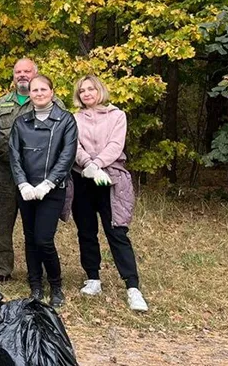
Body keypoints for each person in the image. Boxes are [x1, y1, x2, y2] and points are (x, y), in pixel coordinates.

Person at [72, 75, 148, 311]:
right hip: (82, 178)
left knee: (116, 232)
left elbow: (116, 145)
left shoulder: (117, 115)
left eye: (91, 89)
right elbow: (74, 146)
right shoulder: (74, 118)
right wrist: (88, 165)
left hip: (110, 178)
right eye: (82, 90)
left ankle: (132, 286)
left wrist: (98, 165)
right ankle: (93, 278)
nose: (87, 93)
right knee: (86, 230)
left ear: (100, 91)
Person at [0, 58, 64, 282]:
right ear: (13, 76)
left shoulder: (52, 102)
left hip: (37, 173)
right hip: (5, 172)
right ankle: (2, 269)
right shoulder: (0, 104)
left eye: (27, 71)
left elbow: (61, 136)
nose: (22, 75)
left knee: (35, 224)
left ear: (36, 73)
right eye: (18, 72)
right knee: (3, 222)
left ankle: (39, 268)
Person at [9, 75, 77, 308]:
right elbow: (14, 155)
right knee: (30, 238)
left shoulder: (66, 120)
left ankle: (56, 285)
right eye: (34, 90)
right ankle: (35, 285)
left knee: (44, 239)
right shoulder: (21, 122)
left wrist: (48, 183)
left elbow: (67, 155)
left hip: (52, 189)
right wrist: (22, 183)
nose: (38, 93)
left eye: (43, 89)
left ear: (52, 92)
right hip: (27, 190)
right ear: (29, 94)